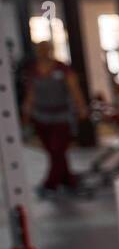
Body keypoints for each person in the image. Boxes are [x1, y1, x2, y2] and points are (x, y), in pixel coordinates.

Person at [20, 40, 91, 197]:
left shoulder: (62, 69)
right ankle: (68, 180)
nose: (44, 52)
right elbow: (30, 96)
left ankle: (50, 184)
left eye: (46, 49)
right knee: (53, 152)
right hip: (41, 117)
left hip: (61, 117)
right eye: (41, 49)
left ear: (51, 50)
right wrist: (26, 115)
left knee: (57, 150)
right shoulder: (33, 71)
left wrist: (81, 108)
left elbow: (75, 90)